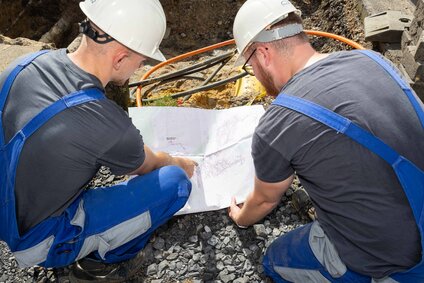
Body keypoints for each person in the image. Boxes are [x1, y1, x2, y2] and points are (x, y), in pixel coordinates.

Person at [0, 0, 197, 281]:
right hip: (37, 240)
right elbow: (151, 165)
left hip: (5, 208)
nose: (140, 66)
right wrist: (181, 162)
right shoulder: (104, 120)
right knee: (174, 184)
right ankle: (100, 267)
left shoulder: (23, 65)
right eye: (141, 60)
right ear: (120, 58)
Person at [228, 0, 424, 282]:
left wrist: (240, 217)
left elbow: (263, 201)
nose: (256, 75)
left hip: (396, 260)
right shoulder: (370, 59)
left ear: (263, 53)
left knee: (274, 260)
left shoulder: (278, 123)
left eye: (250, 65)